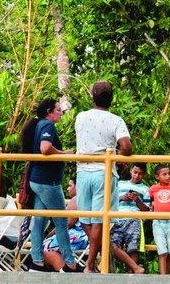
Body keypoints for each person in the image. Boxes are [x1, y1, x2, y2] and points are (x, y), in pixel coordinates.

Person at [74, 80, 132, 272]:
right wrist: (119, 156)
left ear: (92, 97)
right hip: (104, 172)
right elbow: (126, 147)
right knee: (99, 219)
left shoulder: (80, 117)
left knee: (84, 218)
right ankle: (91, 263)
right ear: (112, 99)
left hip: (83, 172)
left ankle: (95, 258)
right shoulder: (116, 120)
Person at [21, 98, 79, 273]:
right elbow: (45, 148)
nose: (61, 113)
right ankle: (70, 263)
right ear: (49, 111)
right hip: (47, 182)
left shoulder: (40, 125)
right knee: (61, 221)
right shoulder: (47, 126)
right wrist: (65, 154)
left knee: (40, 221)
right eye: (59, 110)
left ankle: (37, 262)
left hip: (39, 180)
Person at [110, 163, 150, 273]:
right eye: (135, 172)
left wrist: (137, 200)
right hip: (117, 218)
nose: (137, 176)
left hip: (134, 219)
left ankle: (132, 274)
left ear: (144, 175)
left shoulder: (145, 189)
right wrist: (122, 198)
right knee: (112, 245)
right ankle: (136, 268)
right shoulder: (120, 184)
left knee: (133, 249)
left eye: (140, 174)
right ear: (131, 171)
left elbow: (147, 210)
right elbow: (109, 201)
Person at [43, 179, 89, 271]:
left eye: (70, 185)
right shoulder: (90, 197)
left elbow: (66, 224)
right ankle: (67, 269)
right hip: (89, 237)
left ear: (78, 186)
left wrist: (49, 235)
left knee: (45, 246)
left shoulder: (77, 199)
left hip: (80, 236)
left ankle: (66, 273)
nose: (68, 189)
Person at [149, 165, 170, 275]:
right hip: (158, 222)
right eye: (164, 174)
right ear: (157, 177)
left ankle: (166, 276)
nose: (168, 176)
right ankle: (163, 278)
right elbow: (149, 202)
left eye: (169, 173)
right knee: (162, 252)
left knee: (169, 252)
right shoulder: (153, 189)